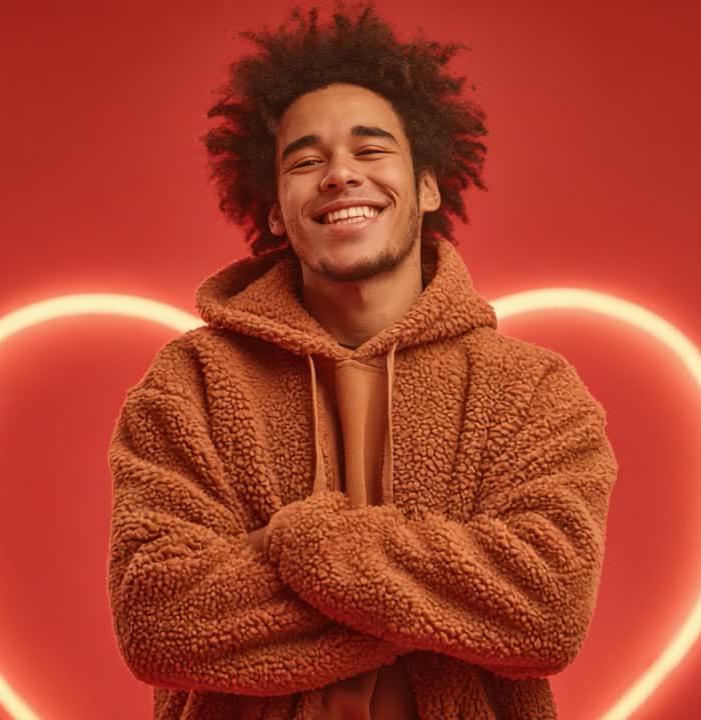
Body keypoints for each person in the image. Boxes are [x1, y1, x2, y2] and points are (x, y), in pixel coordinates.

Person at [107, 4, 618, 718]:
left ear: (428, 185)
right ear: (276, 209)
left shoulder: (532, 390)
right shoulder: (191, 384)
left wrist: (302, 546)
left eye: (370, 150)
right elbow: (160, 621)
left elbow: (545, 610)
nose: (340, 174)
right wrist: (439, 606)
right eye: (305, 160)